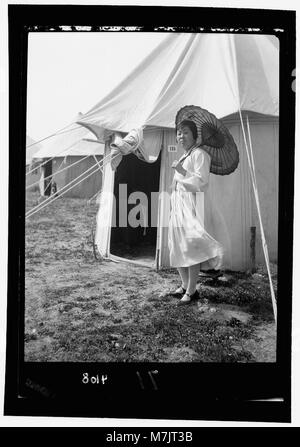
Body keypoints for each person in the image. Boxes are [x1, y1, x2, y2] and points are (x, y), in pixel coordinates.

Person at [168, 119, 225, 306]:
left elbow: (201, 182)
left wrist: (181, 174)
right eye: (178, 133)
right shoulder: (185, 156)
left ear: (194, 135)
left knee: (191, 246)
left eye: (185, 132)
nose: (181, 136)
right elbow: (180, 180)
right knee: (176, 244)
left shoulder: (200, 154)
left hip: (192, 206)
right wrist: (177, 175)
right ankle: (185, 285)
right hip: (178, 205)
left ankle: (192, 291)